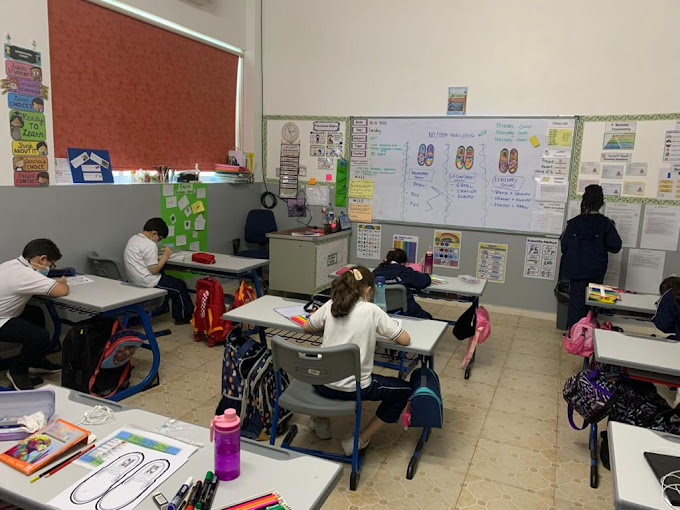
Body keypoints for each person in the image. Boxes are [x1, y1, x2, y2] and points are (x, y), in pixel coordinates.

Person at [302, 266, 412, 456]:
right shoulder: (372, 310)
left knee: (317, 359)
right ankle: (360, 439)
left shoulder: (330, 305)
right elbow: (405, 340)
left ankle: (321, 421)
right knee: (404, 391)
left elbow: (307, 327)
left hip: (322, 383)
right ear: (368, 290)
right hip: (356, 389)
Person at [0, 239, 69, 390]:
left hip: (4, 313)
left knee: (35, 312)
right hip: (2, 320)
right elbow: (61, 290)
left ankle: (35, 361)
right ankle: (17, 371)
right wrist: (63, 281)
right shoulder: (26, 274)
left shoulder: (11, 264)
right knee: (40, 336)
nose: (50, 268)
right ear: (42, 259)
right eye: (51, 264)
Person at [560, 185, 622, 329]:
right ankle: (590, 332)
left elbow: (564, 247)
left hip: (576, 271)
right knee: (594, 304)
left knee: (576, 304)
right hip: (596, 271)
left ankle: (575, 334)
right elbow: (615, 246)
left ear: (584, 200)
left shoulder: (573, 223)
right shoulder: (606, 224)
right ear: (601, 202)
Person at [124, 218, 193, 324]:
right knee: (180, 286)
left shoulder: (133, 239)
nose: (158, 241)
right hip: (147, 281)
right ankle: (182, 317)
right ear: (154, 233)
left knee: (165, 275)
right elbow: (154, 270)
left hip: (134, 279)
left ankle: (165, 306)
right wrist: (165, 256)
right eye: (159, 239)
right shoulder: (150, 245)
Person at [372, 248, 433, 319]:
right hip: (406, 312)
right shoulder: (405, 272)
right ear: (403, 263)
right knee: (428, 317)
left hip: (380, 313)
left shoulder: (375, 273)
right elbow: (424, 281)